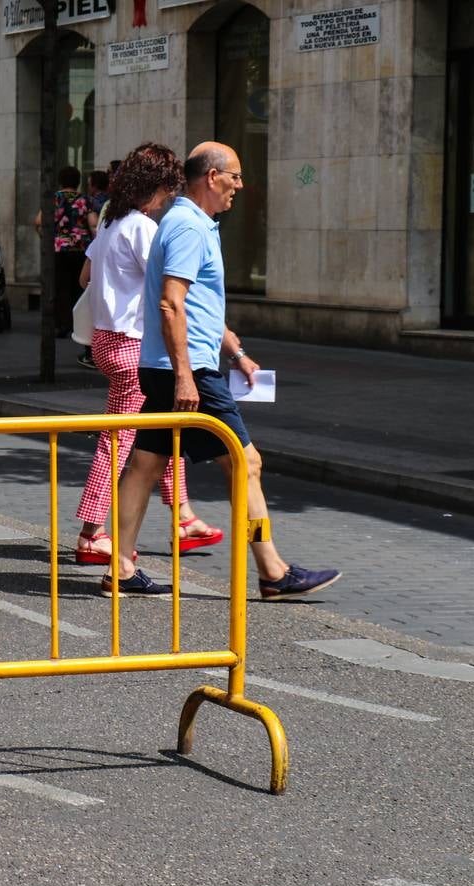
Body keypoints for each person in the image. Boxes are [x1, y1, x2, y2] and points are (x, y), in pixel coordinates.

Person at [107, 142, 341, 601]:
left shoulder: (185, 223)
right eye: (234, 176)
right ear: (211, 177)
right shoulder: (190, 228)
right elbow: (171, 304)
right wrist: (187, 376)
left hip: (164, 365)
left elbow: (198, 306)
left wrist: (234, 351)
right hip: (185, 368)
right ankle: (273, 570)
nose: (239, 185)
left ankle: (119, 566)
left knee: (143, 465)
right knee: (245, 461)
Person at [72, 143, 219, 566]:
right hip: (133, 342)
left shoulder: (109, 224)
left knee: (160, 431)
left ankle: (184, 517)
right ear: (153, 188)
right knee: (119, 441)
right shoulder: (141, 228)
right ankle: (91, 532)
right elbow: (167, 286)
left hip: (107, 339)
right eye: (166, 192)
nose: (167, 201)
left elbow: (85, 276)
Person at [35, 166, 97, 338]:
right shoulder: (85, 199)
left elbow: (38, 222)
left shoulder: (54, 198)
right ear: (78, 182)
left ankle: (62, 324)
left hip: (59, 248)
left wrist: (46, 239)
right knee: (79, 286)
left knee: (60, 287)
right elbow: (93, 225)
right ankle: (78, 324)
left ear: (60, 180)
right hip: (80, 249)